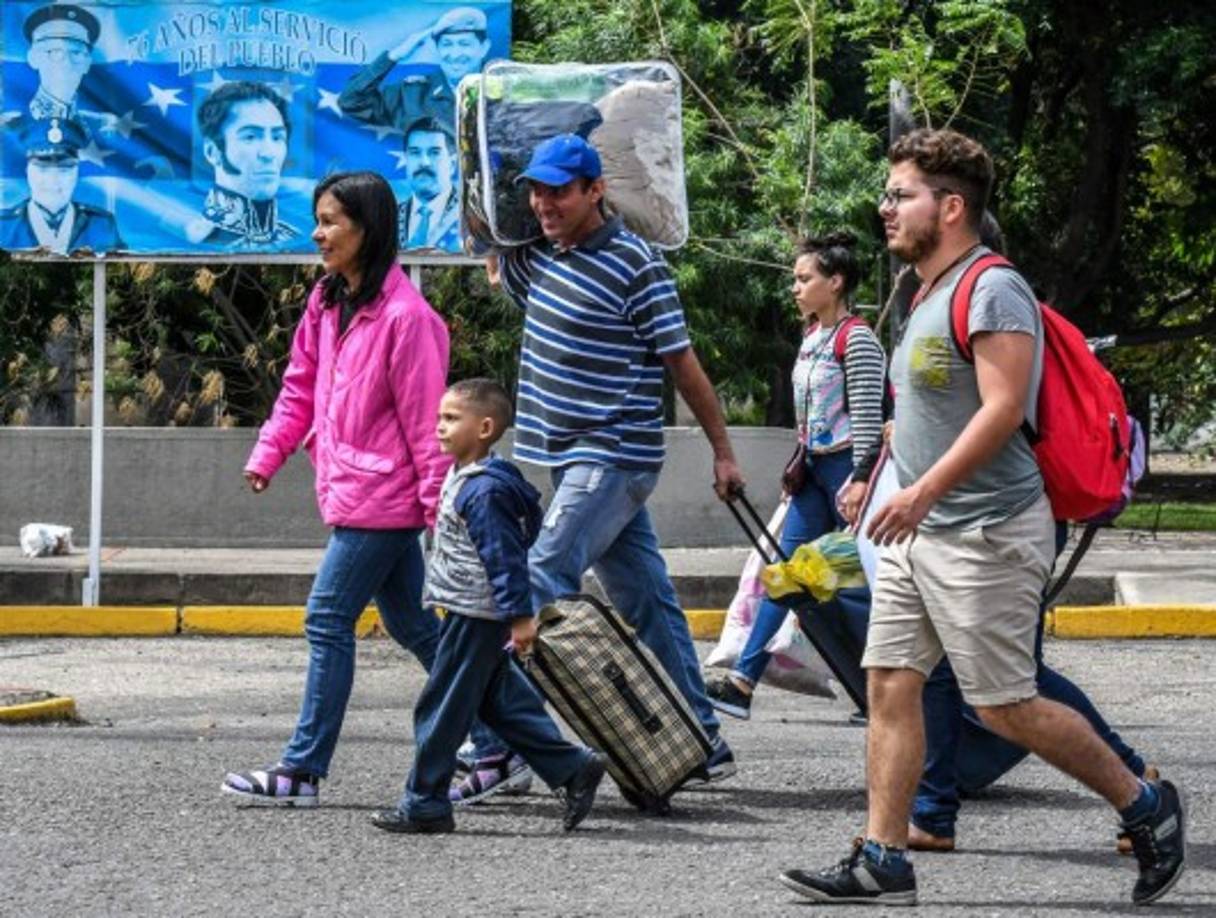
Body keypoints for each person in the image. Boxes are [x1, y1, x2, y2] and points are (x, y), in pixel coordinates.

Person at [779, 128, 1184, 907]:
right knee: (891, 682)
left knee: (1002, 704)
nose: (885, 207)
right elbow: (934, 405)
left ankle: (1145, 802)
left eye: (902, 195)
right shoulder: (925, 291)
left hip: (986, 530)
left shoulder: (993, 289)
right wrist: (884, 471)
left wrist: (922, 490)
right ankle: (884, 857)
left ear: (952, 206)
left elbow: (1002, 410)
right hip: (917, 531)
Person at [220, 170, 488, 805]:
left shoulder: (408, 318)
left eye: (332, 221)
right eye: (317, 220)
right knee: (419, 628)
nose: (319, 233)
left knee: (327, 618)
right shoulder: (325, 302)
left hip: (386, 501)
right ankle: (508, 739)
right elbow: (299, 388)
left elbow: (432, 429)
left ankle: (302, 769)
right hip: (350, 490)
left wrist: (438, 514)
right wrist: (269, 452)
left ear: (368, 230)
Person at [487, 133, 744, 784]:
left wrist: (722, 451)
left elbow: (681, 362)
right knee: (646, 601)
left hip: (614, 455)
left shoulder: (636, 264)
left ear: (595, 191)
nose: (545, 203)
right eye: (537, 192)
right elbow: (487, 245)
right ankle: (702, 740)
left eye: (560, 191)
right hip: (564, 457)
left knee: (540, 580)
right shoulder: (536, 260)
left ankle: (511, 746)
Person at [371, 379, 607, 834]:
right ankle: (572, 768)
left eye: (451, 419)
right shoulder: (470, 477)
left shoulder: (483, 491)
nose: (439, 426)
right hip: (472, 610)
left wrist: (519, 618)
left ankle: (425, 804)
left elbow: (505, 560)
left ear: (484, 427)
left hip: (475, 615)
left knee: (439, 709)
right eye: (440, 417)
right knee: (496, 706)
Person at [704, 233, 885, 720]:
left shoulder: (859, 340)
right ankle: (743, 682)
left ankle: (880, 693)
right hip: (814, 474)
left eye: (805, 278)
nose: (795, 287)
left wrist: (863, 479)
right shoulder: (811, 338)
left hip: (851, 473)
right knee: (785, 575)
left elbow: (868, 418)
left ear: (836, 282)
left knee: (860, 589)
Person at [338, 7, 491, 134]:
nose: (454, 54)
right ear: (438, 49)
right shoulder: (412, 94)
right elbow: (351, 102)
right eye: (446, 44)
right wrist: (393, 56)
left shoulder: (501, 92)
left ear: (484, 48)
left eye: (464, 44)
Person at [189, 81, 299, 249]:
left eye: (277, 137)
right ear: (212, 152)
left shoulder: (295, 240)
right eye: (250, 137)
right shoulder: (194, 241)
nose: (269, 153)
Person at [0, 116, 122, 254]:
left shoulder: (102, 224)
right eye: (42, 169)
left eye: (64, 169)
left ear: (76, 173)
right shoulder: (4, 225)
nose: (53, 180)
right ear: (27, 171)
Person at [22, 3, 99, 121]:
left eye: (76, 53)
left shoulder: (98, 125)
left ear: (87, 63)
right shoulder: (10, 124)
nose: (67, 64)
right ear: (33, 58)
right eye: (54, 52)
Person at [398, 117, 460, 252]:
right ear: (406, 160)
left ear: (453, 164)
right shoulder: (389, 218)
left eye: (434, 153)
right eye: (415, 153)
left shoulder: (470, 218)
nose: (424, 162)